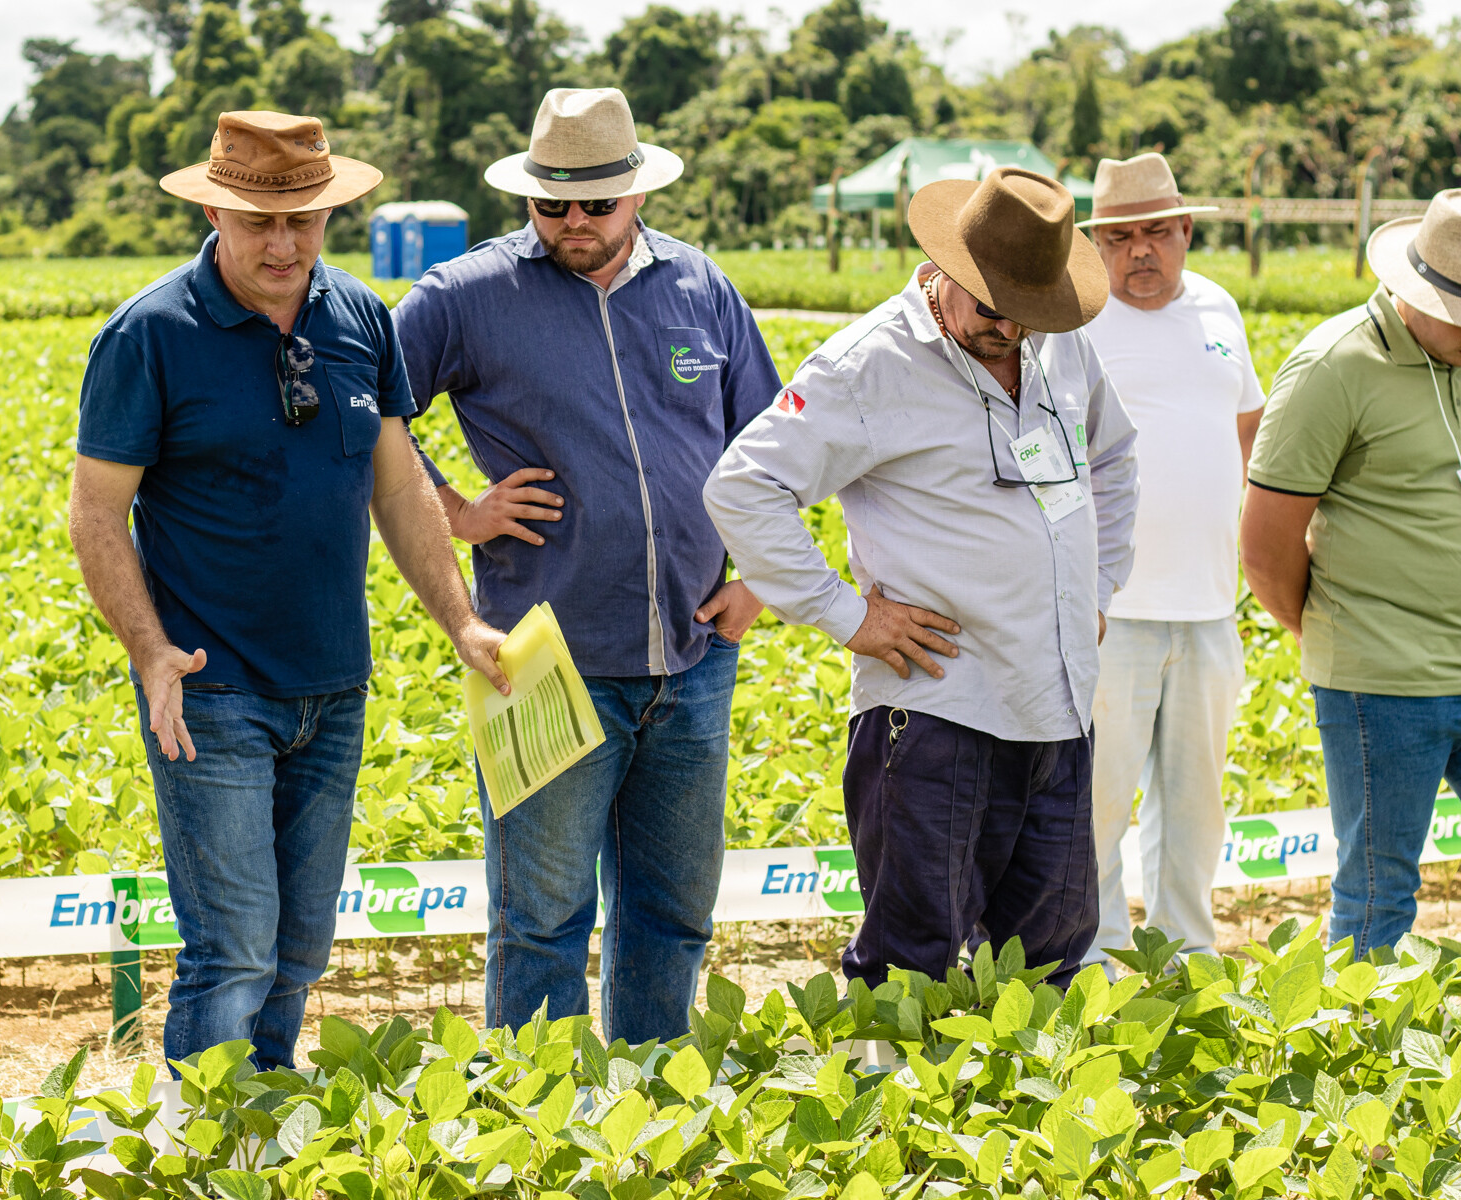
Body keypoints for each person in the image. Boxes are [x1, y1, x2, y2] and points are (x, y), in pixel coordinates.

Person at [69, 111, 507, 1069]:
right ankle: (206, 1147)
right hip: (211, 688)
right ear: (217, 212)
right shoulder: (148, 336)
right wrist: (147, 648)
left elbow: (398, 483)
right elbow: (98, 515)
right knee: (232, 953)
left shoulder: (357, 319)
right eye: (258, 221)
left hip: (333, 685)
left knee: (300, 951)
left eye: (302, 221)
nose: (282, 244)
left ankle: (261, 1128)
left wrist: (463, 621)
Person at [391, 87, 780, 1044]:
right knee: (543, 922)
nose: (571, 222)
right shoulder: (467, 295)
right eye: (549, 202)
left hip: (693, 656)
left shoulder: (702, 287)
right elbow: (370, 419)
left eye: (594, 203)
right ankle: (540, 1140)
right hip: (543, 662)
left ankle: (648, 1114)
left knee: (675, 911)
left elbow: (771, 444)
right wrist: (458, 511)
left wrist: (760, 576)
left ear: (636, 192)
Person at [705, 167, 1138, 988]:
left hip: (1058, 708)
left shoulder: (1058, 339)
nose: (1009, 328)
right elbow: (744, 487)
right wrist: (847, 616)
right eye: (992, 307)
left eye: (1028, 313)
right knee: (911, 965)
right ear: (948, 272)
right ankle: (898, 1119)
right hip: (937, 713)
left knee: (1048, 958)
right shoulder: (869, 365)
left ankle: (1012, 1117)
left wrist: (1102, 584)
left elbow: (1114, 455)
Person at [1242, 189, 1461, 958]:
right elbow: (1267, 545)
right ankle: (1362, 1056)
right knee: (1378, 891)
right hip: (1381, 681)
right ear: (1412, 293)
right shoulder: (1334, 365)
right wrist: (1345, 633)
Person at [1075, 153, 1262, 970]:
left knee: (1196, 810)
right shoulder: (1074, 323)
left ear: (1186, 231)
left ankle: (1189, 960)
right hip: (1110, 611)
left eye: (1157, 231)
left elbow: (1249, 429)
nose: (1140, 251)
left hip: (1211, 611)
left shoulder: (1220, 310)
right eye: (1120, 237)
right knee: (1095, 808)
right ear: (1096, 246)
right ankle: (1103, 962)